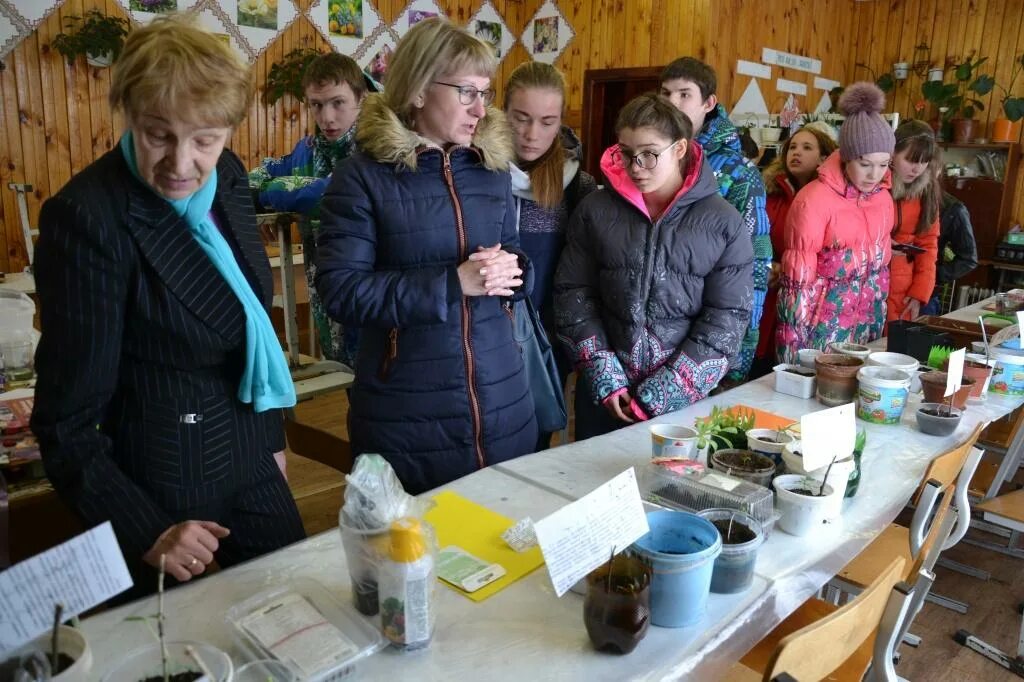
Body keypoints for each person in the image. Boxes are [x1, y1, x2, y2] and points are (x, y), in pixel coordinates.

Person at [30, 15, 305, 596]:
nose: (181, 164)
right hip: (164, 489)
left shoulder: (227, 177)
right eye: (158, 134)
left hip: (249, 453)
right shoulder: (88, 219)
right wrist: (146, 530)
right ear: (128, 114)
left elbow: (247, 322)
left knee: (296, 611)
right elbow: (66, 422)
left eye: (204, 139)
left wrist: (271, 442)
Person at [315, 18, 537, 494]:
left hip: (503, 400)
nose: (481, 108)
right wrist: (450, 283)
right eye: (466, 92)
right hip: (407, 416)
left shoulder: (491, 171)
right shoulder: (361, 178)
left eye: (485, 93)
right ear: (418, 90)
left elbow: (511, 255)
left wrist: (514, 270)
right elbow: (340, 290)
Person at [555, 93, 753, 439]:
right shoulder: (596, 210)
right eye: (627, 154)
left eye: (649, 154)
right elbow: (572, 292)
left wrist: (666, 390)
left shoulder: (724, 222)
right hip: (604, 398)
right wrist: (604, 373)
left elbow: (727, 317)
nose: (635, 167)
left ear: (679, 149)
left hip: (682, 408)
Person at [249, 52, 380, 368]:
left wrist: (277, 195)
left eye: (338, 103)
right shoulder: (307, 150)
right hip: (325, 290)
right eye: (317, 105)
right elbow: (252, 179)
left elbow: (330, 193)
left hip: (374, 291)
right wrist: (272, 202)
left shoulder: (377, 148)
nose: (327, 117)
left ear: (361, 98)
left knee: (377, 385)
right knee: (345, 377)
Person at [503, 61, 597, 448]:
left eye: (546, 122)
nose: (530, 134)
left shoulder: (578, 186)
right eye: (520, 118)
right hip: (481, 335)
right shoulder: (474, 169)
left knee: (535, 445)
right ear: (502, 110)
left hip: (545, 341)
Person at [661, 57, 770, 382]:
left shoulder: (740, 175)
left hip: (708, 336)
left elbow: (756, 264)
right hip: (655, 333)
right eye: (665, 93)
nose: (672, 103)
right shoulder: (653, 159)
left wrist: (737, 352)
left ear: (709, 103)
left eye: (684, 95)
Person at [776, 82, 895, 363]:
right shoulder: (813, 200)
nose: (874, 174)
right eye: (865, 163)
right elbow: (796, 287)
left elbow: (881, 276)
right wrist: (792, 361)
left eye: (883, 164)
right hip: (821, 338)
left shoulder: (884, 199)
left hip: (867, 333)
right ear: (847, 156)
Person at [753, 123, 837, 374]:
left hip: (810, 298)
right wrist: (768, 266)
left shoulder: (829, 198)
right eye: (792, 147)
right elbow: (754, 237)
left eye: (806, 147)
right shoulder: (771, 193)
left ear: (824, 157)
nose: (796, 153)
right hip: (768, 293)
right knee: (761, 368)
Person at [886, 120, 941, 328]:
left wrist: (920, 292)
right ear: (892, 153)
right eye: (910, 159)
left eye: (924, 161)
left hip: (905, 291)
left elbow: (929, 245)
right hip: (871, 283)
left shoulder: (927, 192)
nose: (917, 168)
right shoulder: (875, 184)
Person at [922, 180, 978, 315]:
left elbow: (968, 259)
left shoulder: (953, 209)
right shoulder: (891, 195)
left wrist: (932, 275)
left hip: (926, 294)